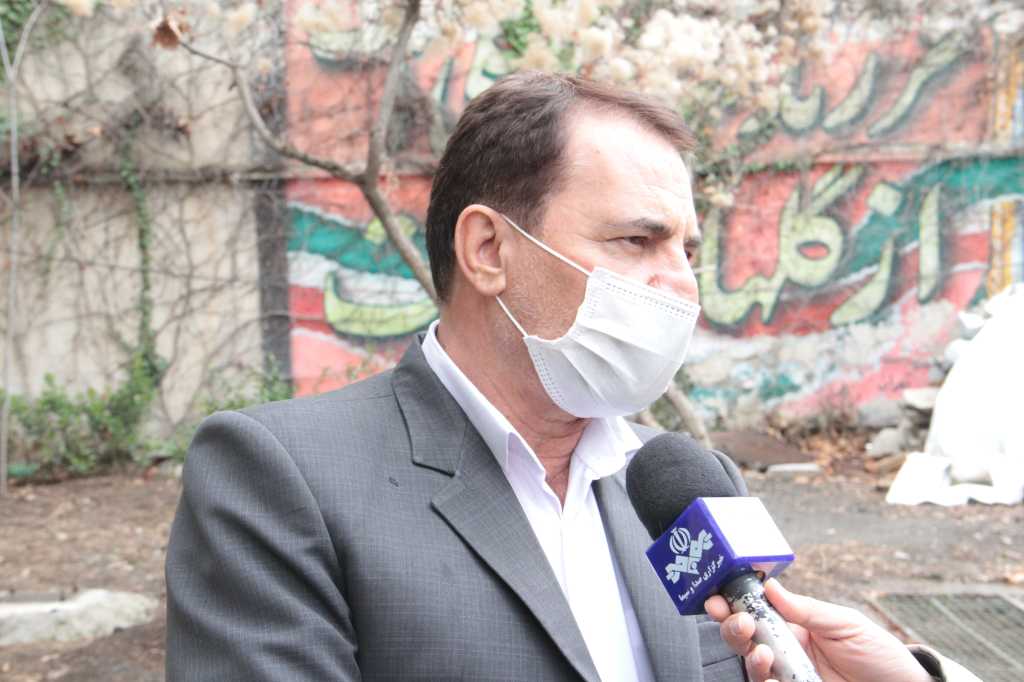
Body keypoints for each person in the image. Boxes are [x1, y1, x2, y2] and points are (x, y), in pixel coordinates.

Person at [166, 71, 976, 681]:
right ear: (489, 250)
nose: (681, 282)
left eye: (687, 249)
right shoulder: (282, 476)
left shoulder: (681, 484)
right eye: (637, 241)